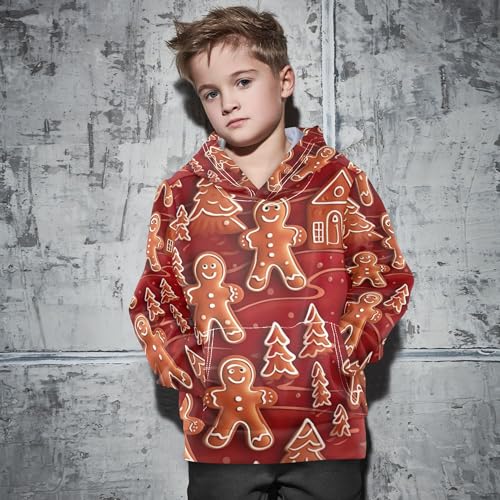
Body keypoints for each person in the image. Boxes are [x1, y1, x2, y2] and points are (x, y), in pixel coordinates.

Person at [129, 5, 414, 500]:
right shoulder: (181, 193)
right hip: (220, 436)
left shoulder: (340, 180)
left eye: (242, 81)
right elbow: (155, 296)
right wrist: (192, 369)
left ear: (284, 81)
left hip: (328, 430)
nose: (228, 103)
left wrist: (342, 353)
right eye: (211, 92)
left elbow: (385, 277)